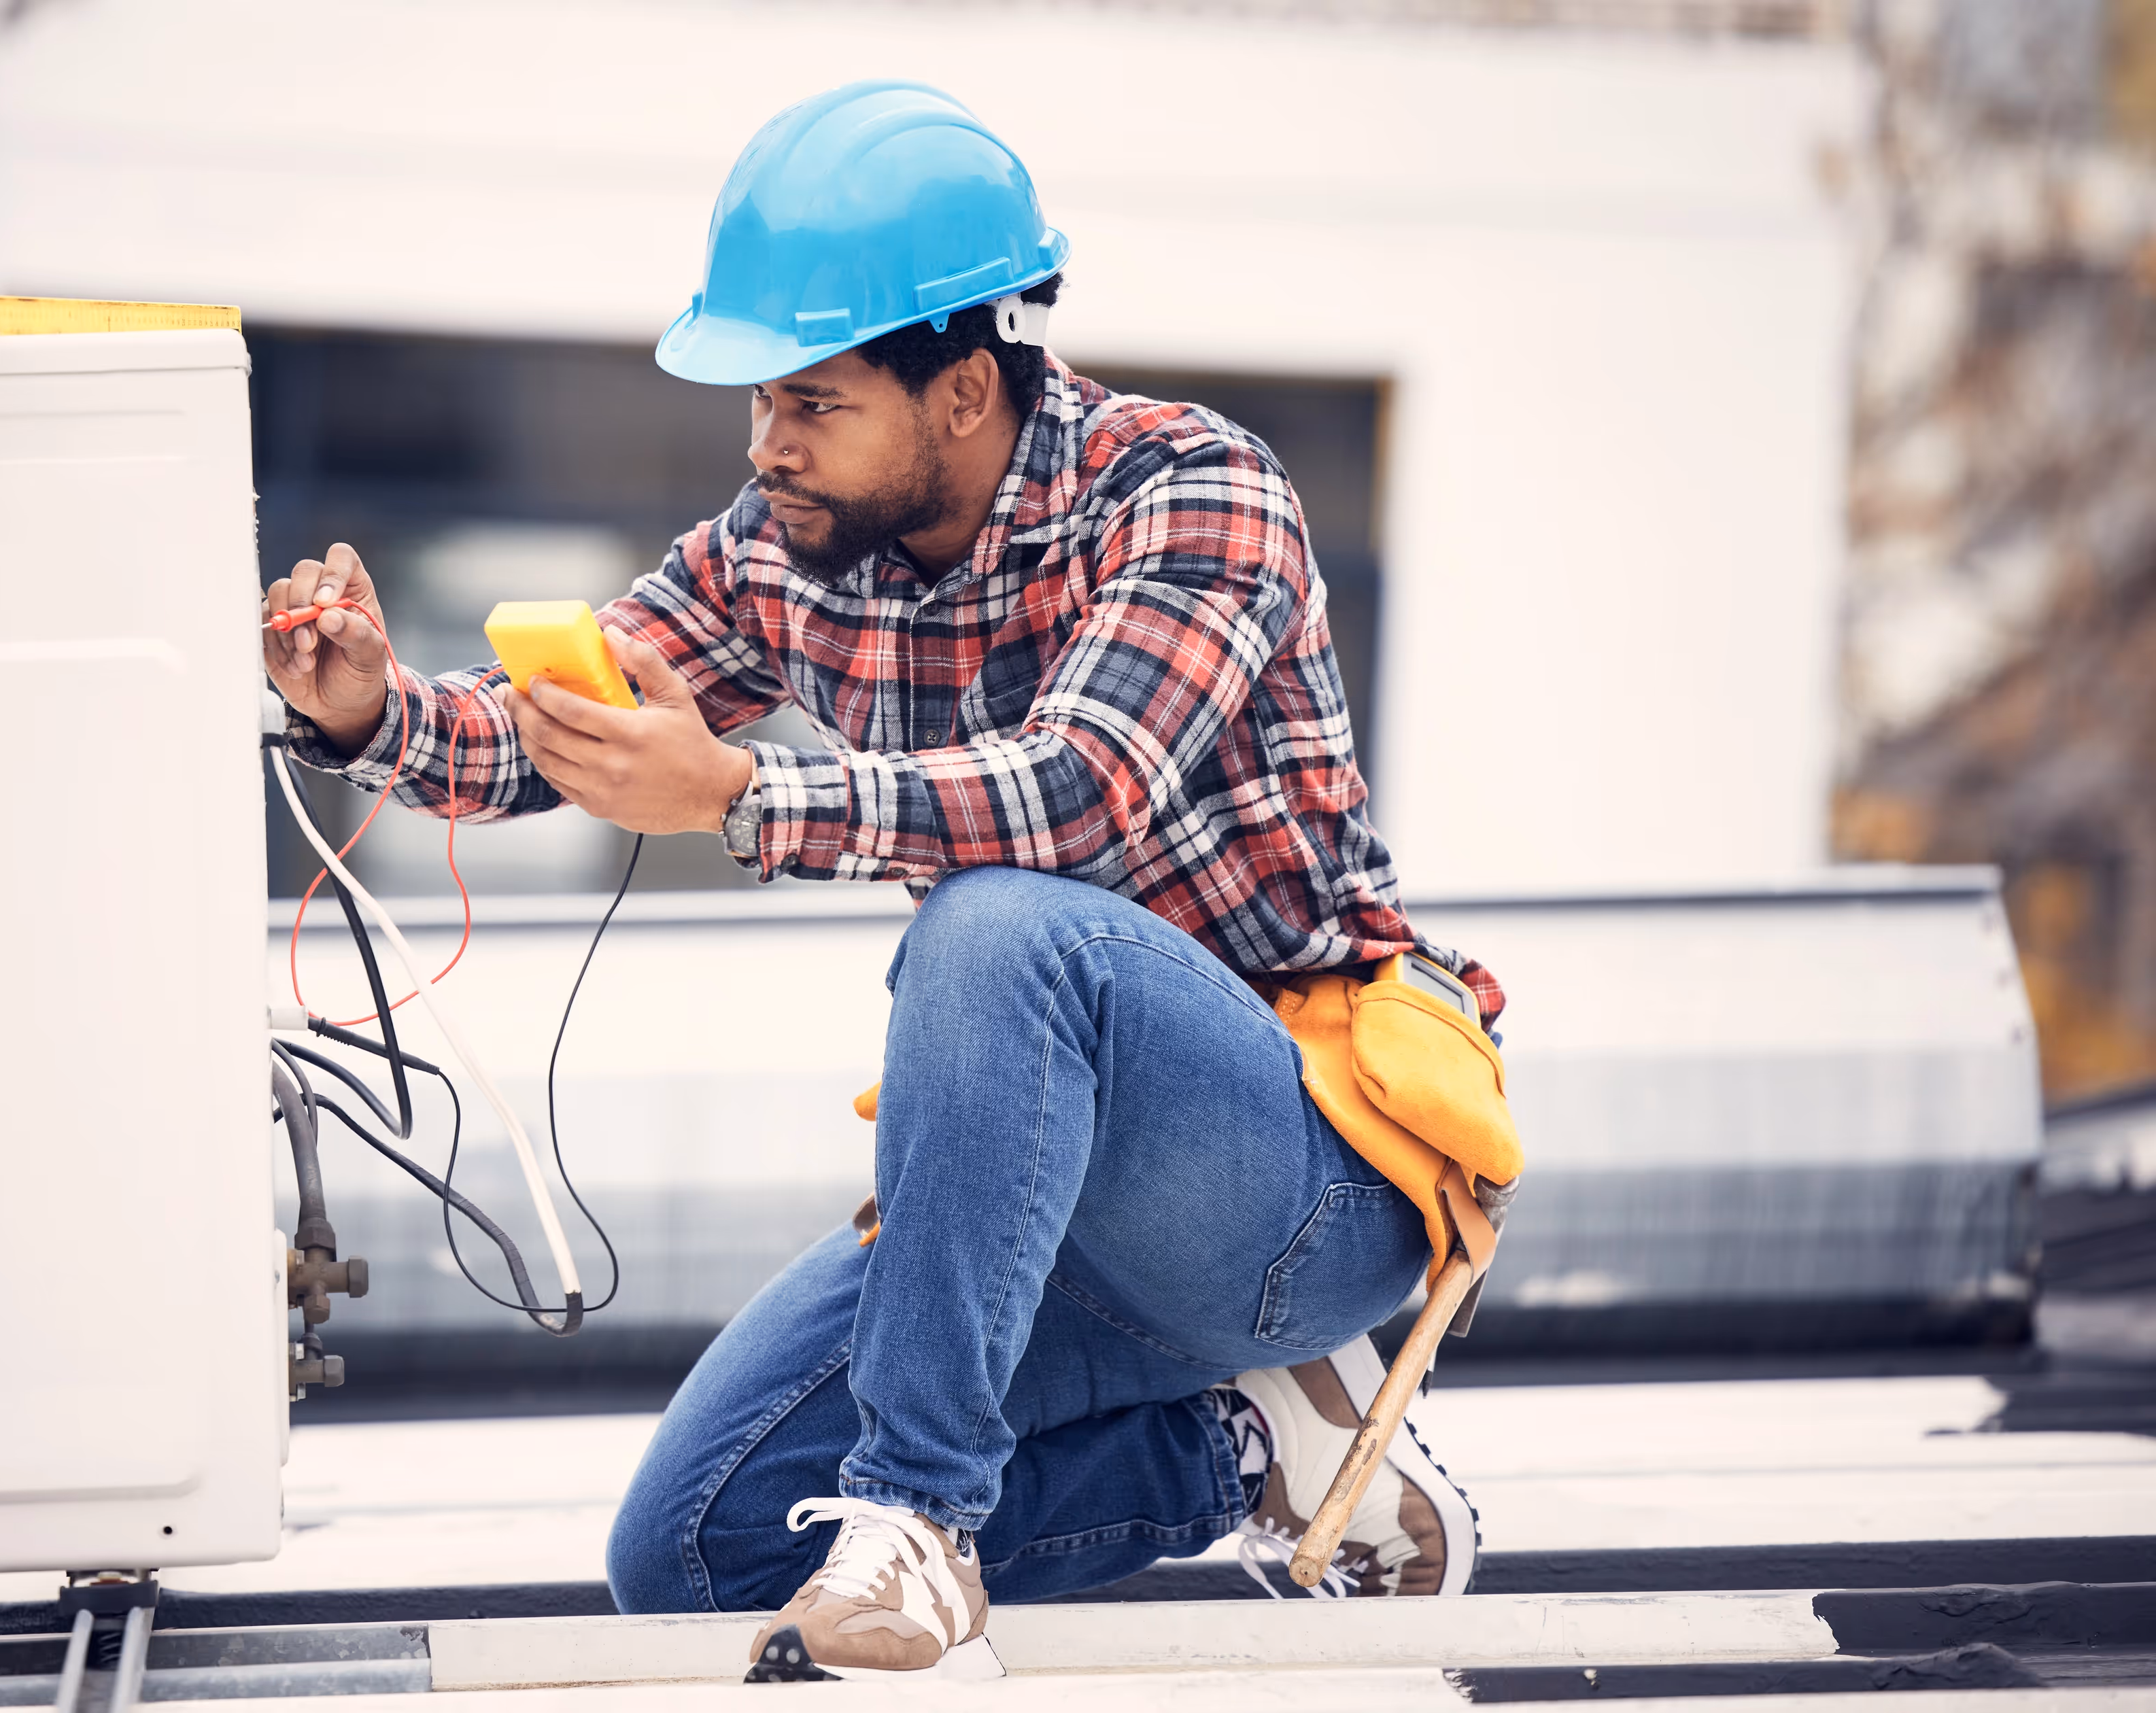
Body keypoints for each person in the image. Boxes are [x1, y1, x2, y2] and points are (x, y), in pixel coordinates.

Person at [263, 80, 1496, 1682]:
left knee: (998, 930)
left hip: (1293, 1181)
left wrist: (747, 797)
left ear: (966, 389)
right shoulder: (782, 544)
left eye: (811, 403)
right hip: (1047, 1227)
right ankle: (1258, 1455)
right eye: (755, 406)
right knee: (691, 1552)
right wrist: (367, 709)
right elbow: (559, 735)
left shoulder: (1193, 495)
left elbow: (1073, 796)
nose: (766, 449)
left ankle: (915, 1535)